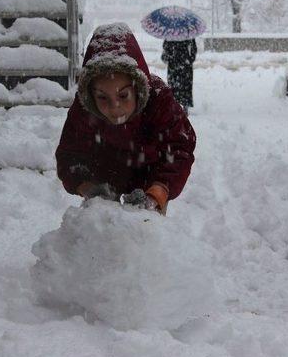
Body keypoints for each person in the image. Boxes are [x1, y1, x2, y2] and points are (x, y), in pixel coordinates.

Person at [55, 23, 196, 214]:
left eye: (123, 95)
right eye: (102, 97)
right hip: (103, 183)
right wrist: (88, 187)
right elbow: (69, 155)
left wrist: (157, 192)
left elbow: (180, 149)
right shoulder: (84, 108)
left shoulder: (159, 100)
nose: (115, 108)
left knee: (142, 235)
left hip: (150, 180)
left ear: (137, 88)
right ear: (91, 94)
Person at [161, 39, 197, 112]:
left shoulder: (171, 33)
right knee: (182, 85)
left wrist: (190, 59)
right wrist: (190, 59)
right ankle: (180, 104)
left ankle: (179, 105)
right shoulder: (187, 32)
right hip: (182, 63)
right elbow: (193, 48)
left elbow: (165, 48)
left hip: (177, 64)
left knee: (178, 85)